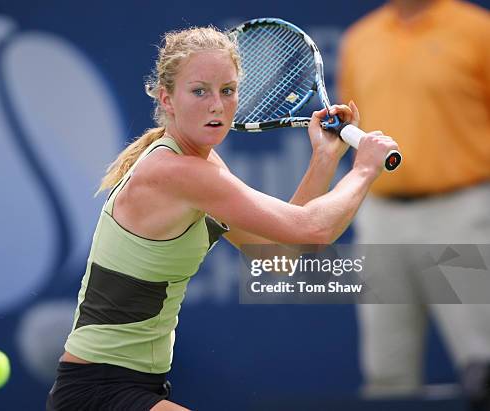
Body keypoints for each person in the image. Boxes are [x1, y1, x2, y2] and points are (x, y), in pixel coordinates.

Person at [46, 25, 398, 411]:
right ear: (168, 99)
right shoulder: (175, 172)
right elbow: (313, 228)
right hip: (97, 392)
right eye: (200, 91)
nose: (217, 104)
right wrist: (363, 170)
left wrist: (324, 159)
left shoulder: (201, 164)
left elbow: (276, 256)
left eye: (227, 91)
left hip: (133, 387)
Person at [338, 0, 490, 401]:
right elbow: (352, 128)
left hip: (461, 211)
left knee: (483, 364)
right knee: (386, 373)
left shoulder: (478, 30)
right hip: (380, 217)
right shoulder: (360, 38)